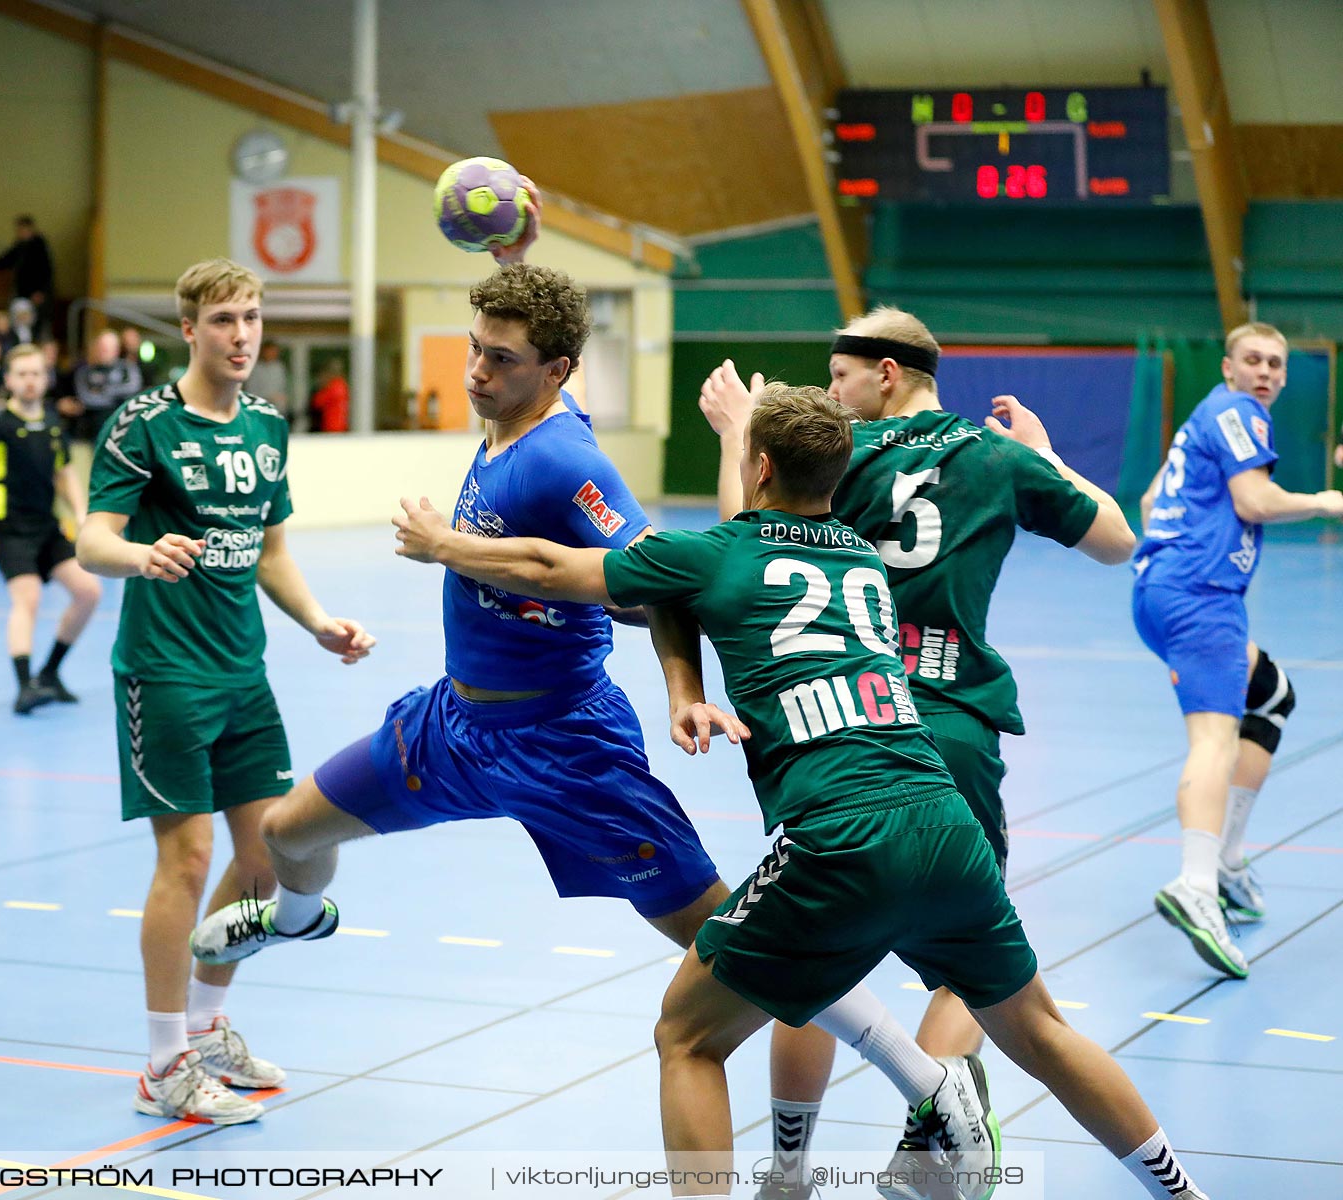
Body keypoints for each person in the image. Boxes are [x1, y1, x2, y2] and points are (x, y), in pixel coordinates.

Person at [190, 253, 983, 1159]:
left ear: (557, 371)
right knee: (289, 835)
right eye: (477, 350)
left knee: (742, 940)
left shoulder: (566, 459)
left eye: (502, 360)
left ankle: (929, 1084)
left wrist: (681, 688)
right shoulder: (508, 412)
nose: (479, 373)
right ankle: (296, 918)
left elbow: (656, 583)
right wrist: (512, 257)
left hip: (566, 746)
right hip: (456, 724)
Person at [392, 384, 1213, 1200]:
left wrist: (443, 545)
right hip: (944, 821)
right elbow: (698, 578)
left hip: (837, 841)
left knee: (687, 1035)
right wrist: (685, 676)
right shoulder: (860, 557)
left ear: (760, 466)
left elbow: (549, 564)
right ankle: (1184, 1193)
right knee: (1042, 1032)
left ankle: (792, 1165)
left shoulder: (718, 553)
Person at [700, 308, 1136, 1200]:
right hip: (953, 730)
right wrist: (1047, 458)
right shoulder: (993, 457)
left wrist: (741, 434)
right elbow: (1116, 541)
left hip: (844, 723)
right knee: (966, 970)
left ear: (887, 373)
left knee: (812, 957)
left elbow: (740, 539)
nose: (829, 395)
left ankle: (788, 1170)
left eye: (839, 376)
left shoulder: (833, 453)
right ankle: (928, 1148)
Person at [76, 257, 374, 1126]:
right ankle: (163, 1063)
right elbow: (94, 537)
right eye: (223, 321)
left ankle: (206, 1028)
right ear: (189, 330)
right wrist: (142, 555)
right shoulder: (144, 426)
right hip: (165, 672)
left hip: (245, 672)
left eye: (250, 318)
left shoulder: (268, 427)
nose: (241, 336)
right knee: (188, 858)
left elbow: (272, 551)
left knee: (267, 852)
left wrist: (317, 621)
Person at [1133, 321, 1341, 978]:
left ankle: (1224, 859)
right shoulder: (1237, 411)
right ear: (1228, 367)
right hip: (1202, 596)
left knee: (1273, 693)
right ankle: (1197, 882)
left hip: (1165, 587)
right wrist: (1328, 501)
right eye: (1253, 360)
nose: (1266, 372)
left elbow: (1148, 499)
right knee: (1214, 741)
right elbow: (1255, 498)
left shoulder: (1207, 420)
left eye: (1276, 364)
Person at [0, 344, 102, 713]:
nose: (30, 381)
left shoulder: (53, 423)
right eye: (22, 374)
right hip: (10, 530)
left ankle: (50, 673)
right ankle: (24, 687)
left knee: (88, 592)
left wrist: (83, 512)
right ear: (9, 380)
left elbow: (64, 472)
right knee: (29, 598)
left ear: (46, 378)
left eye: (36, 373)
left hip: (47, 526)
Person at [246, 340, 289, 417]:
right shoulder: (256, 368)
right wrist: (268, 398)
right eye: (271, 351)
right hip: (259, 409)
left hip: (278, 410)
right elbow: (251, 391)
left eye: (275, 351)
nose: (273, 353)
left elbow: (282, 388)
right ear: (264, 351)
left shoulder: (279, 367)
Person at [309, 358, 349, 433]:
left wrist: (321, 386)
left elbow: (317, 402)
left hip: (332, 427)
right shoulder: (343, 385)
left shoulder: (334, 387)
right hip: (340, 426)